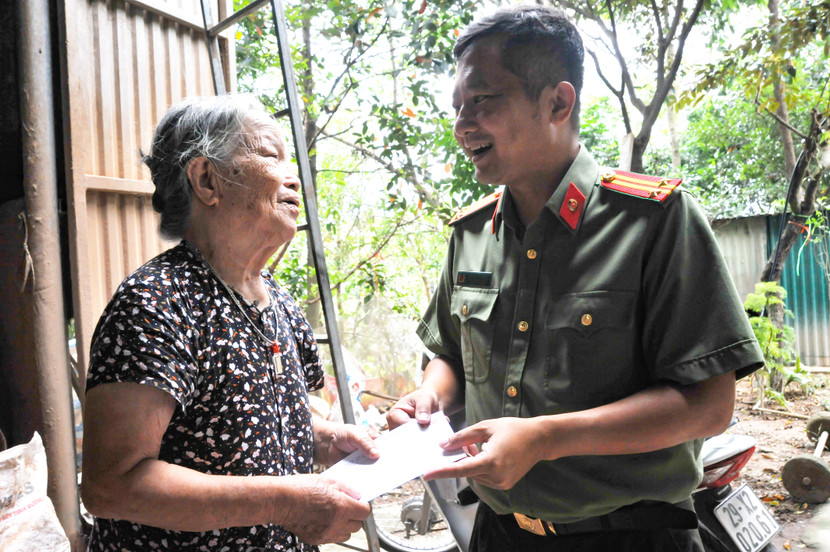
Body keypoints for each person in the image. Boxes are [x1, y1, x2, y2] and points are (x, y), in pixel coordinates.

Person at [387, 6, 765, 552]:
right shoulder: (471, 234)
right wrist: (428, 397)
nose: (462, 124)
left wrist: (543, 439)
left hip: (632, 536)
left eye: (483, 101)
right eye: (458, 108)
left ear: (558, 102)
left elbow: (709, 405)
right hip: (499, 535)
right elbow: (447, 353)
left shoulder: (655, 222)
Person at [81, 94, 377, 552]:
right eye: (269, 155)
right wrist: (284, 503)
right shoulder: (155, 302)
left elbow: (251, 426)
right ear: (206, 179)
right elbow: (111, 485)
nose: (293, 177)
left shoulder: (278, 300)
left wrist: (328, 438)